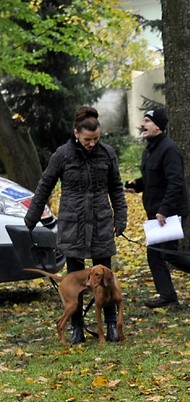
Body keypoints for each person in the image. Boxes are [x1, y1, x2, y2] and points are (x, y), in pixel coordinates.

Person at [24, 106, 127, 343]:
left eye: (96, 139)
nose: (92, 143)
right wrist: (31, 219)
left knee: (107, 278)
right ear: (76, 133)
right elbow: (44, 186)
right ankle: (77, 327)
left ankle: (111, 324)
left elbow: (116, 189)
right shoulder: (62, 154)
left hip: (102, 222)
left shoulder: (108, 154)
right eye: (88, 139)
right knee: (74, 278)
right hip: (73, 224)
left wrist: (121, 217)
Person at [125, 107, 190, 308]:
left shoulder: (169, 149)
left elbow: (176, 183)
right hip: (156, 212)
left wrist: (164, 210)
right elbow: (154, 178)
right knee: (157, 254)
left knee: (168, 254)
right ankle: (167, 295)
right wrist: (137, 184)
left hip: (168, 213)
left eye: (147, 121)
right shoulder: (150, 150)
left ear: (158, 126)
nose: (143, 125)